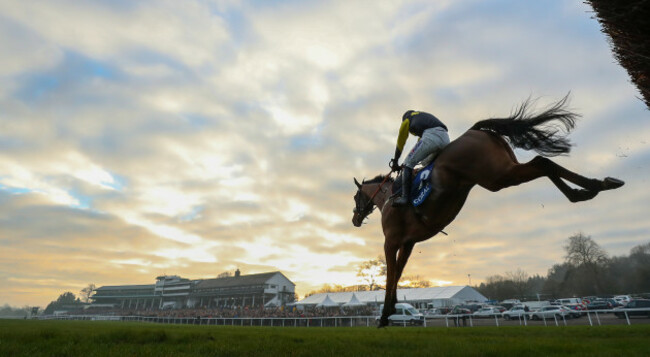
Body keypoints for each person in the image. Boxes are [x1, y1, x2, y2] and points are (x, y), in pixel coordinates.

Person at [390, 110, 450, 207]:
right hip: (445, 138)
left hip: (431, 136)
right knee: (425, 162)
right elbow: (420, 144)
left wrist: (396, 161)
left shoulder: (407, 119)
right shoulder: (422, 117)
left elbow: (401, 140)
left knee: (407, 164)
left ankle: (405, 198)